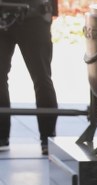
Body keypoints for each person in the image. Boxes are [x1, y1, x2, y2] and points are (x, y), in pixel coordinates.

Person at [0, 0, 58, 155]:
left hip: (34, 14)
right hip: (4, 13)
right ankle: (1, 136)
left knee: (42, 77)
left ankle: (48, 138)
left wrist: (50, 12)